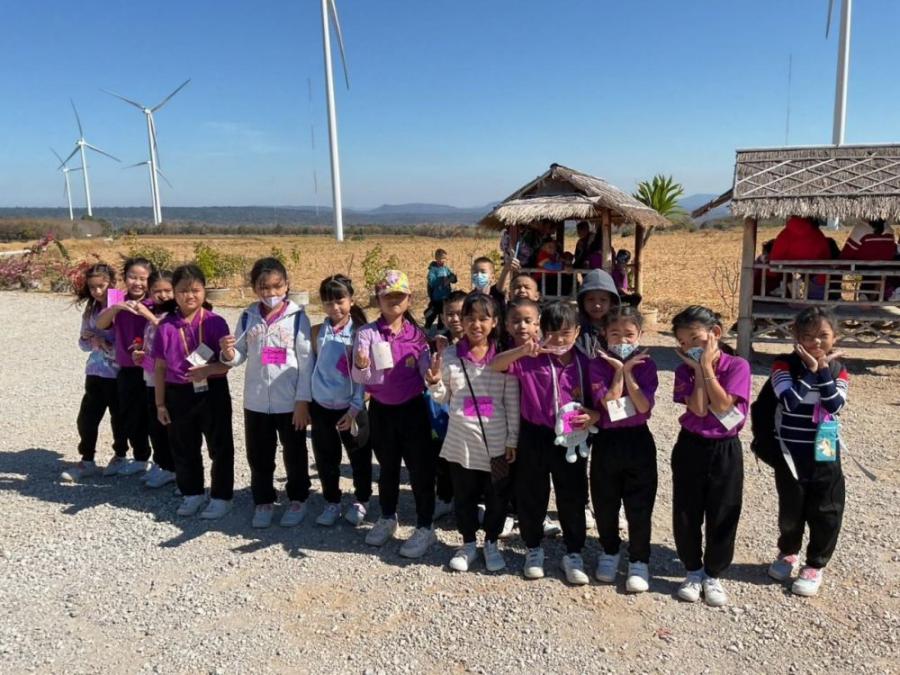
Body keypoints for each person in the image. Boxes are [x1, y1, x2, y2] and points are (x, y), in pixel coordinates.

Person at [491, 302, 601, 585]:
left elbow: (598, 400)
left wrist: (594, 415)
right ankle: (533, 548)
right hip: (535, 434)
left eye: (565, 333)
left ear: (577, 331)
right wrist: (522, 350)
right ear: (541, 331)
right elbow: (495, 365)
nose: (559, 340)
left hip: (572, 436)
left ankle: (573, 552)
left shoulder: (586, 362)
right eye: (551, 333)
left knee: (573, 493)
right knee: (531, 492)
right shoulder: (531, 358)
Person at [426, 292, 519, 573]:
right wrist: (434, 383)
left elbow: (511, 401)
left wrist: (512, 439)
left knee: (496, 497)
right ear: (461, 321)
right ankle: (467, 543)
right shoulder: (451, 356)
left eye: (483, 318)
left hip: (496, 443)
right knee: (464, 496)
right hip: (461, 443)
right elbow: (443, 397)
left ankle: (491, 542)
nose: (476, 324)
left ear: (495, 322)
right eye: (470, 318)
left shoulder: (503, 358)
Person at [219, 258, 313, 528]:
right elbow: (240, 355)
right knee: (259, 454)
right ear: (254, 288)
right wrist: (228, 353)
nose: (271, 292)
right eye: (264, 287)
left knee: (294, 453)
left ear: (286, 285)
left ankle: (298, 498)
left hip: (290, 402)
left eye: (277, 286)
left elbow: (306, 363)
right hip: (257, 401)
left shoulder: (298, 318)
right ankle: (263, 500)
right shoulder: (248, 317)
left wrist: (302, 401)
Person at [764, 307, 848, 597]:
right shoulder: (783, 365)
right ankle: (788, 551)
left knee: (827, 508)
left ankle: (815, 564)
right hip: (790, 451)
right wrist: (811, 372)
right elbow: (790, 401)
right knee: (791, 508)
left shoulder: (838, 370)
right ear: (796, 337)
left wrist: (822, 370)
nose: (816, 342)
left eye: (823, 335)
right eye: (808, 336)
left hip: (825, 448)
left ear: (835, 337)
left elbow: (835, 404)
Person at [671, 306, 750, 607]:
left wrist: (706, 368)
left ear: (715, 333)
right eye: (683, 342)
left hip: (725, 448)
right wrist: (697, 369)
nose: (689, 347)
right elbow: (700, 408)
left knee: (724, 509)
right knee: (687, 510)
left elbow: (724, 405)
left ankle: (713, 573)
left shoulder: (737, 366)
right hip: (690, 446)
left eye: (695, 339)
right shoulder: (683, 370)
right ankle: (692, 570)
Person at [352, 270, 435, 558]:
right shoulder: (366, 334)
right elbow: (361, 378)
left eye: (400, 296)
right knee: (387, 467)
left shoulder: (418, 335)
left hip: (413, 410)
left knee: (420, 470)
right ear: (378, 299)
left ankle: (425, 526)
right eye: (387, 296)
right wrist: (361, 364)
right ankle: (388, 517)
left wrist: (432, 375)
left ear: (409, 299)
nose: (394, 301)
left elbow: (426, 371)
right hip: (381, 410)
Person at [153, 264, 233, 520]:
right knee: (183, 445)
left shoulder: (215, 322)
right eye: (183, 291)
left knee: (220, 445)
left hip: (212, 390)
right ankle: (192, 492)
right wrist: (160, 404)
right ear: (174, 293)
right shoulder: (166, 326)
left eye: (195, 290)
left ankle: (221, 496)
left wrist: (209, 369)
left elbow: (227, 363)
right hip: (178, 393)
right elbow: (159, 367)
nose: (190, 296)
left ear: (204, 291)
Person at [589, 306, 658, 592]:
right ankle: (609, 551)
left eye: (629, 334)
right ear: (605, 334)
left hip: (638, 440)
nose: (622, 340)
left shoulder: (648, 365)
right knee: (605, 501)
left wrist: (629, 372)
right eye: (615, 334)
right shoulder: (596, 365)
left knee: (639, 504)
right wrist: (618, 372)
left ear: (640, 334)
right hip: (607, 440)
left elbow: (643, 406)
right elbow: (608, 404)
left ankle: (639, 559)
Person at [305, 275, 373, 527]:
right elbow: (309, 368)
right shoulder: (316, 332)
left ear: (351, 300)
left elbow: (364, 377)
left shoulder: (361, 334)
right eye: (328, 302)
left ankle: (362, 500)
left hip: (351, 408)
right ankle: (331, 501)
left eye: (340, 300)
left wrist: (354, 408)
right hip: (322, 406)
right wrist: (307, 402)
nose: (334, 307)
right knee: (325, 457)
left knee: (359, 455)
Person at [60, 263, 128, 481]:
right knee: (87, 417)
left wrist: (104, 342)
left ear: (112, 284)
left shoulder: (120, 305)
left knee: (119, 417)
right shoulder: (91, 309)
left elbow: (128, 341)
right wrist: (90, 339)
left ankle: (120, 455)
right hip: (95, 370)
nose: (97, 291)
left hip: (118, 372)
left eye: (101, 286)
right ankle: (87, 459)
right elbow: (83, 343)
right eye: (92, 287)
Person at [95, 257, 155, 476]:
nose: (137, 283)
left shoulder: (155, 300)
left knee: (154, 414)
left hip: (152, 367)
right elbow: (100, 324)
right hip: (127, 366)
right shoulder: (117, 298)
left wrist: (146, 311)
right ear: (124, 278)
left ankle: (163, 462)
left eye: (143, 278)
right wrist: (116, 308)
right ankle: (140, 458)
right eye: (132, 277)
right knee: (131, 414)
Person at [132, 270, 177, 489]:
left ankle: (172, 468)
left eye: (168, 290)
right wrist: (140, 354)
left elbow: (167, 331)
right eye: (157, 291)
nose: (163, 295)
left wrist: (148, 315)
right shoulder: (154, 312)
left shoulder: (175, 314)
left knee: (168, 425)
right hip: (151, 375)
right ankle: (162, 463)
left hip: (168, 379)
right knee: (155, 425)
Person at [428, 290, 468, 522]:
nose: (455, 318)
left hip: (475, 414)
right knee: (443, 456)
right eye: (449, 314)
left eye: (460, 313)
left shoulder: (481, 342)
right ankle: (444, 497)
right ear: (442, 317)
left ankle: (476, 501)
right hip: (445, 413)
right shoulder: (439, 343)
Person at [770, 216, 834, 299]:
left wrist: (772, 275)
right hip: (817, 277)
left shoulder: (785, 234)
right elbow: (826, 255)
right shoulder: (817, 234)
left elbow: (775, 258)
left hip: (790, 277)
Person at [575, 269, 620, 359]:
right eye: (591, 299)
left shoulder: (619, 329)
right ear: (582, 302)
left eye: (603, 300)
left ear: (611, 303)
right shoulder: (575, 330)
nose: (597, 305)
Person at [424, 249, 457, 330]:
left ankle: (440, 330)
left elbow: (453, 279)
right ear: (437, 258)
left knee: (443, 315)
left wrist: (452, 278)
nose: (444, 260)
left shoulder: (446, 269)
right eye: (442, 258)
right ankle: (427, 329)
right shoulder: (433, 270)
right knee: (432, 315)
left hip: (446, 297)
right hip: (436, 298)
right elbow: (431, 282)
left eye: (445, 258)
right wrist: (442, 282)